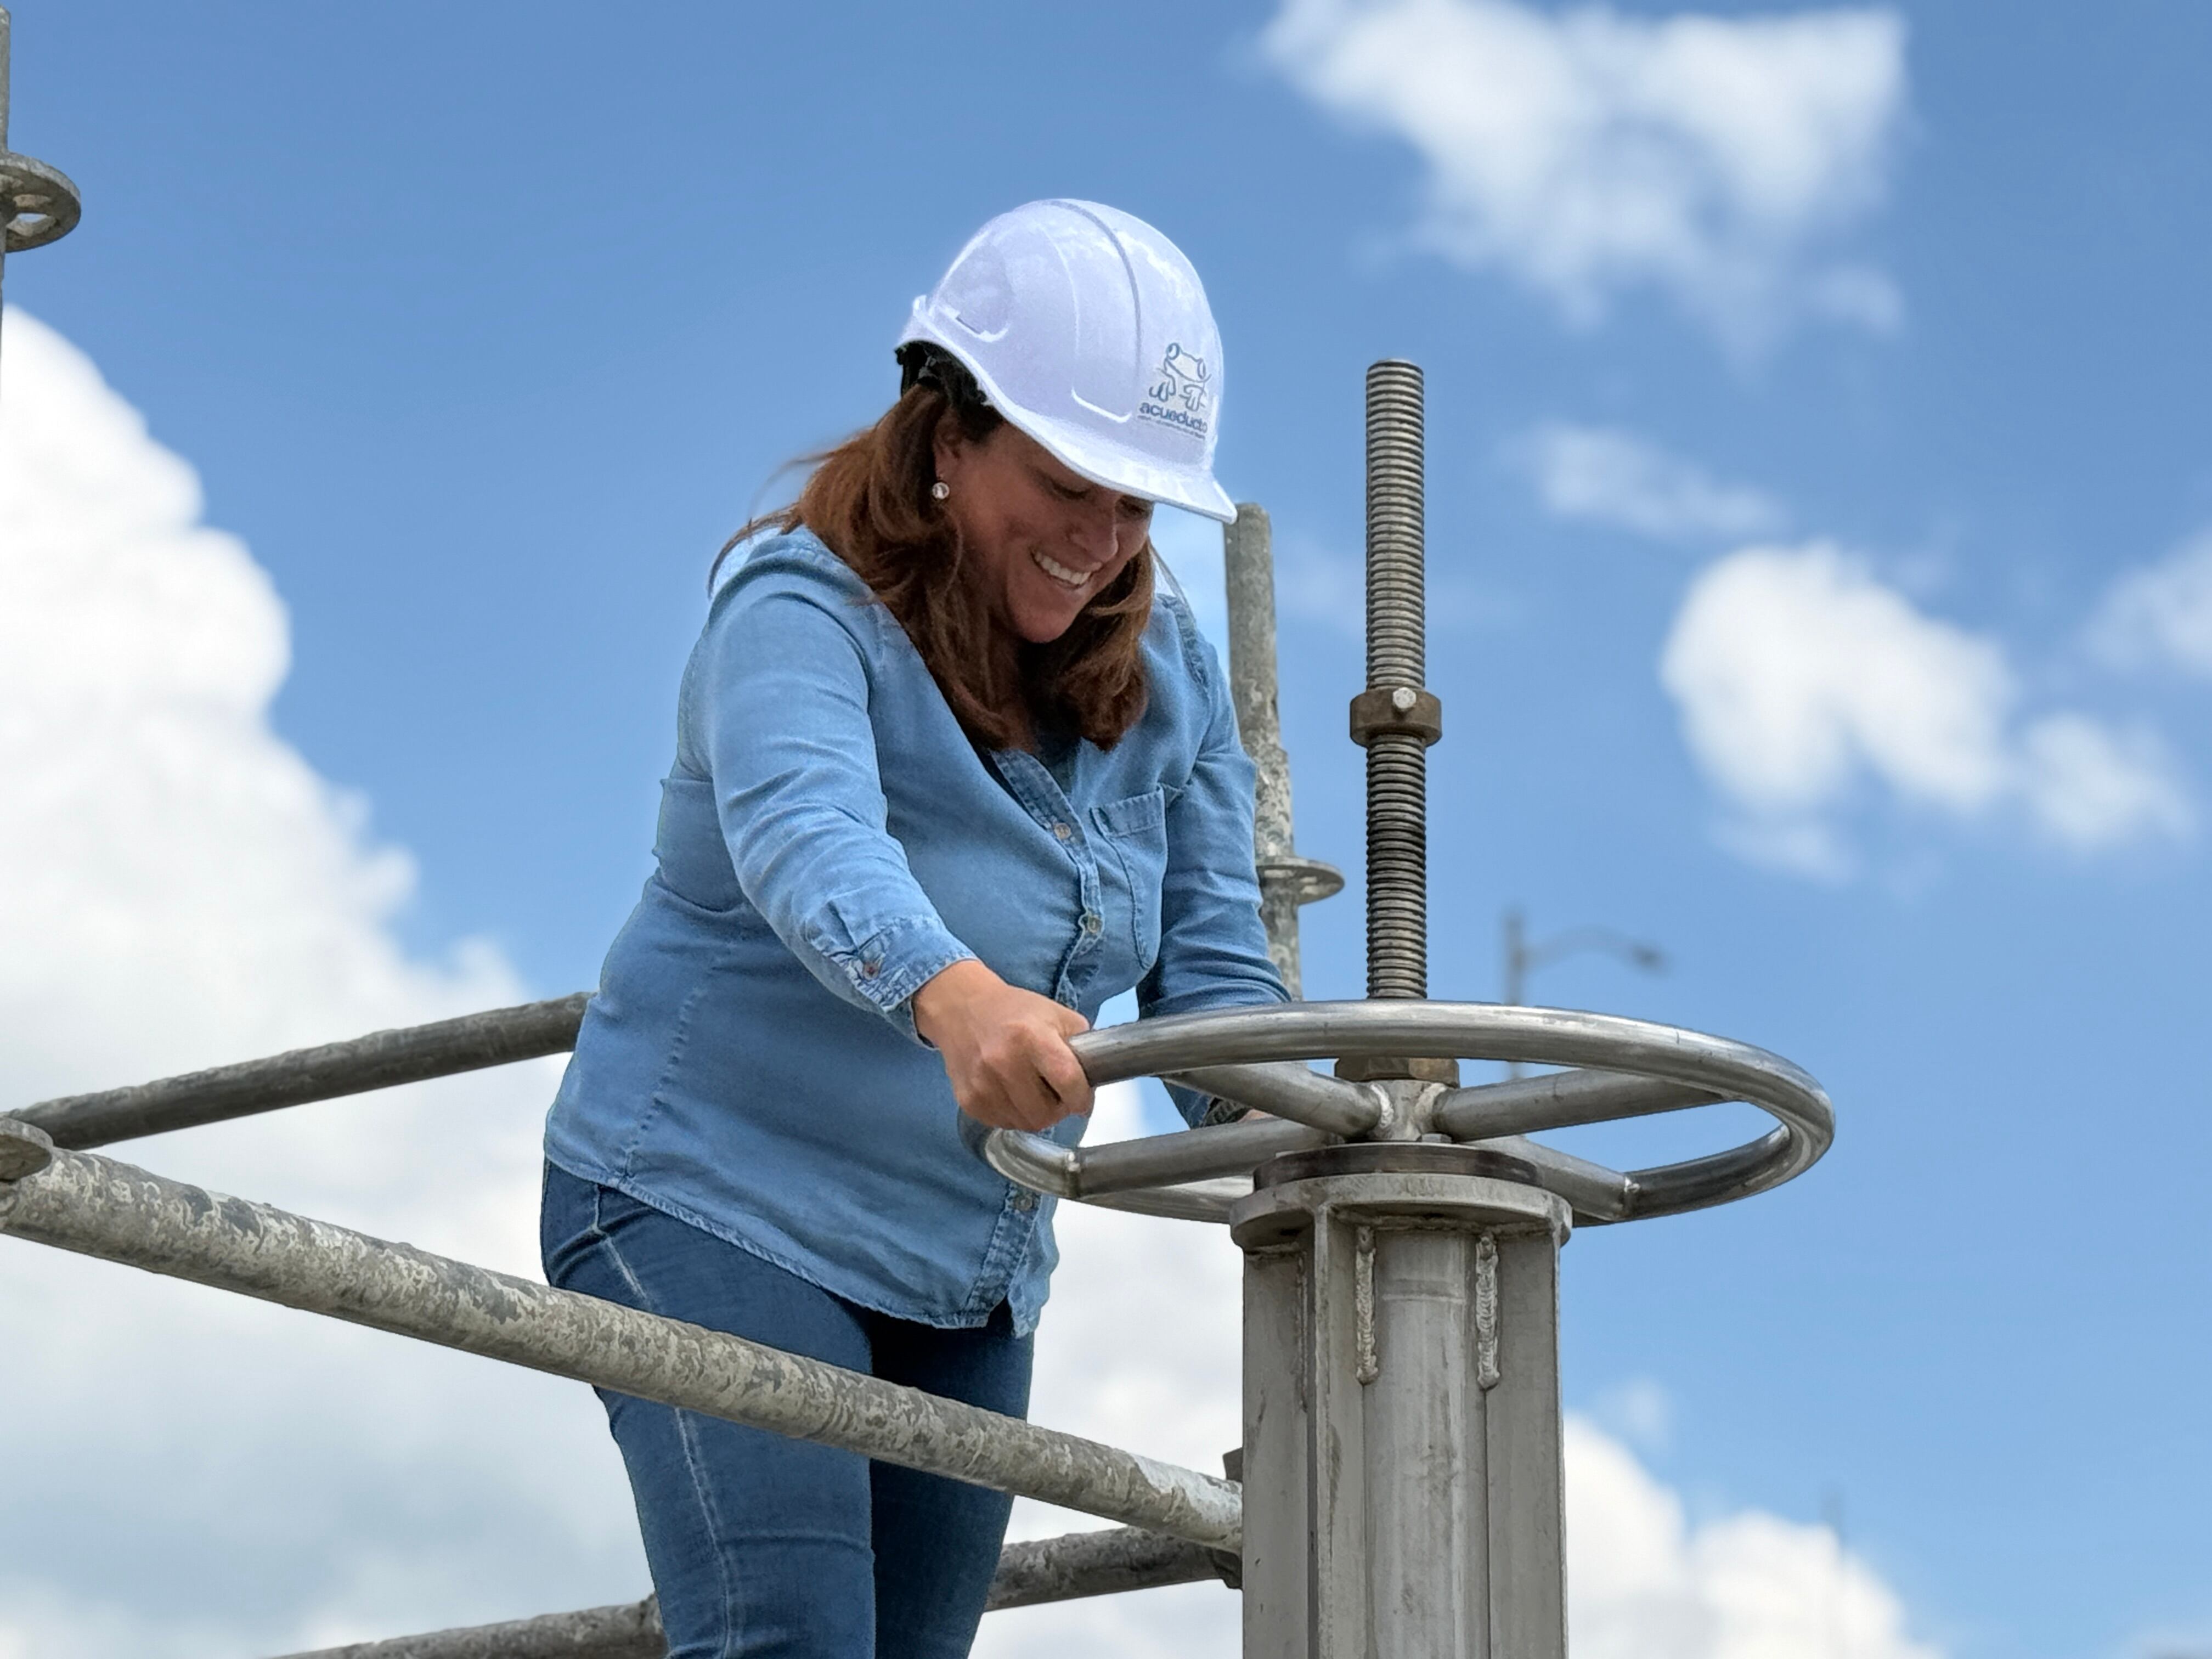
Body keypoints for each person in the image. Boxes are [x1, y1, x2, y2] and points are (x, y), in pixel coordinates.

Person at [539, 199, 1285, 1659]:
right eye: (1071, 479)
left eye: (1138, 502)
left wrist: (1339, 1143)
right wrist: (959, 998)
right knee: (791, 1644)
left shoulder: (1171, 666)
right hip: (713, 1203)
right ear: (950, 433)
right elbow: (810, 841)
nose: (1102, 540)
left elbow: (1215, 978)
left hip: (962, 1275)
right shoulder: (795, 609)